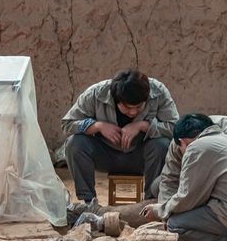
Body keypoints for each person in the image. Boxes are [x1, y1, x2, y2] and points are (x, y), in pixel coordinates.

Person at [61, 68, 179, 203]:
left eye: (139, 107)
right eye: (128, 108)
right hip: (106, 155)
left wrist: (143, 126)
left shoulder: (158, 91)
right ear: (116, 100)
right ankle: (88, 202)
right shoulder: (96, 93)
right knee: (75, 143)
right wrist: (98, 126)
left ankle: (152, 201)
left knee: (162, 145)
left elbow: (175, 127)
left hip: (142, 157)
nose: (133, 112)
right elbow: (67, 124)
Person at [151, 115, 227, 204]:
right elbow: (169, 179)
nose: (193, 152)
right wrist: (165, 212)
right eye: (189, 148)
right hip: (195, 180)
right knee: (157, 186)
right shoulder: (178, 143)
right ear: (182, 142)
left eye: (196, 148)